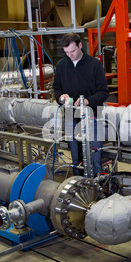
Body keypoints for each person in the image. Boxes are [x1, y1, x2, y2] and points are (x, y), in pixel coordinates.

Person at [53, 33, 109, 177]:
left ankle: (97, 182)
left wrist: (87, 101)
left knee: (95, 154)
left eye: (72, 51)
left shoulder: (94, 65)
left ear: (80, 46)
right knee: (75, 156)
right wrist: (61, 98)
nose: (70, 55)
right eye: (66, 52)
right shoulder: (62, 65)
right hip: (71, 115)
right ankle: (79, 182)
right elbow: (57, 89)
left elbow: (104, 92)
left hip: (93, 114)